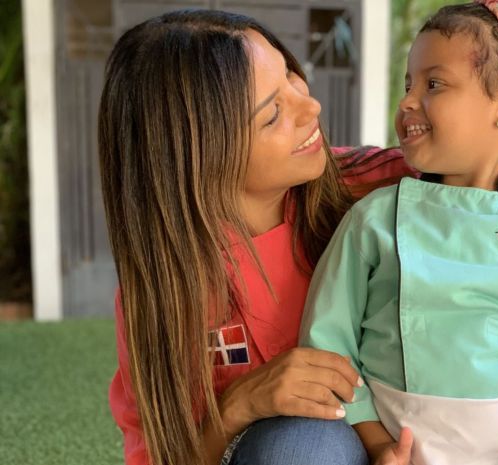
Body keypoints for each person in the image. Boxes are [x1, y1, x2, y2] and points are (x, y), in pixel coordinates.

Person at [98, 9, 416, 465]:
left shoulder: (386, 186)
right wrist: (239, 405)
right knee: (300, 445)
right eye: (272, 115)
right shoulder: (161, 295)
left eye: (290, 75)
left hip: (423, 432)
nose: (312, 107)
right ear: (199, 156)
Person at [300, 1, 498, 464]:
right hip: (386, 445)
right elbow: (329, 341)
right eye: (408, 84)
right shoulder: (374, 218)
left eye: (434, 84)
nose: (406, 101)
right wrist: (378, 444)